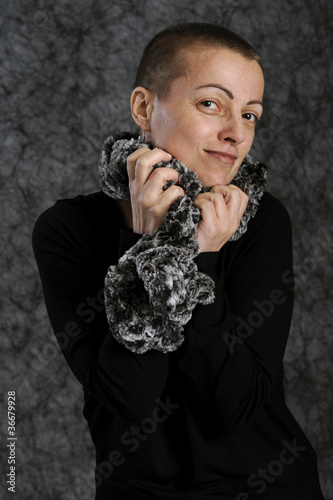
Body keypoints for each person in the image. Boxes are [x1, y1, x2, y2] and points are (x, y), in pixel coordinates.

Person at [32, 22, 325, 499]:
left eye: (251, 115)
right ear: (145, 107)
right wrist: (150, 247)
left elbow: (232, 409)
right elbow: (130, 398)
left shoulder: (259, 219)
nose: (235, 133)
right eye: (212, 104)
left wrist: (203, 259)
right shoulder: (68, 230)